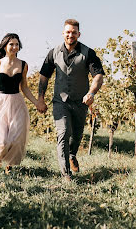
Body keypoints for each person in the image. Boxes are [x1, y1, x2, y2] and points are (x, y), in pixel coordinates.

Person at [37, 19, 104, 180]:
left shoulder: (88, 53)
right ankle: (66, 174)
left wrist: (92, 93)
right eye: (68, 32)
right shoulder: (54, 52)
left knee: (77, 134)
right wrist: (40, 98)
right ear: (63, 33)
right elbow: (44, 76)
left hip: (81, 101)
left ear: (79, 34)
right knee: (64, 132)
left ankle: (72, 154)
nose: (70, 35)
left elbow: (98, 76)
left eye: (74, 32)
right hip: (60, 101)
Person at [0, 33, 41, 174]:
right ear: (5, 46)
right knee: (3, 140)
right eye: (11, 44)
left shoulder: (23, 65)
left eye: (17, 44)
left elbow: (25, 87)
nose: (14, 47)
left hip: (17, 104)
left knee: (16, 139)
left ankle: (9, 165)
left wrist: (36, 103)